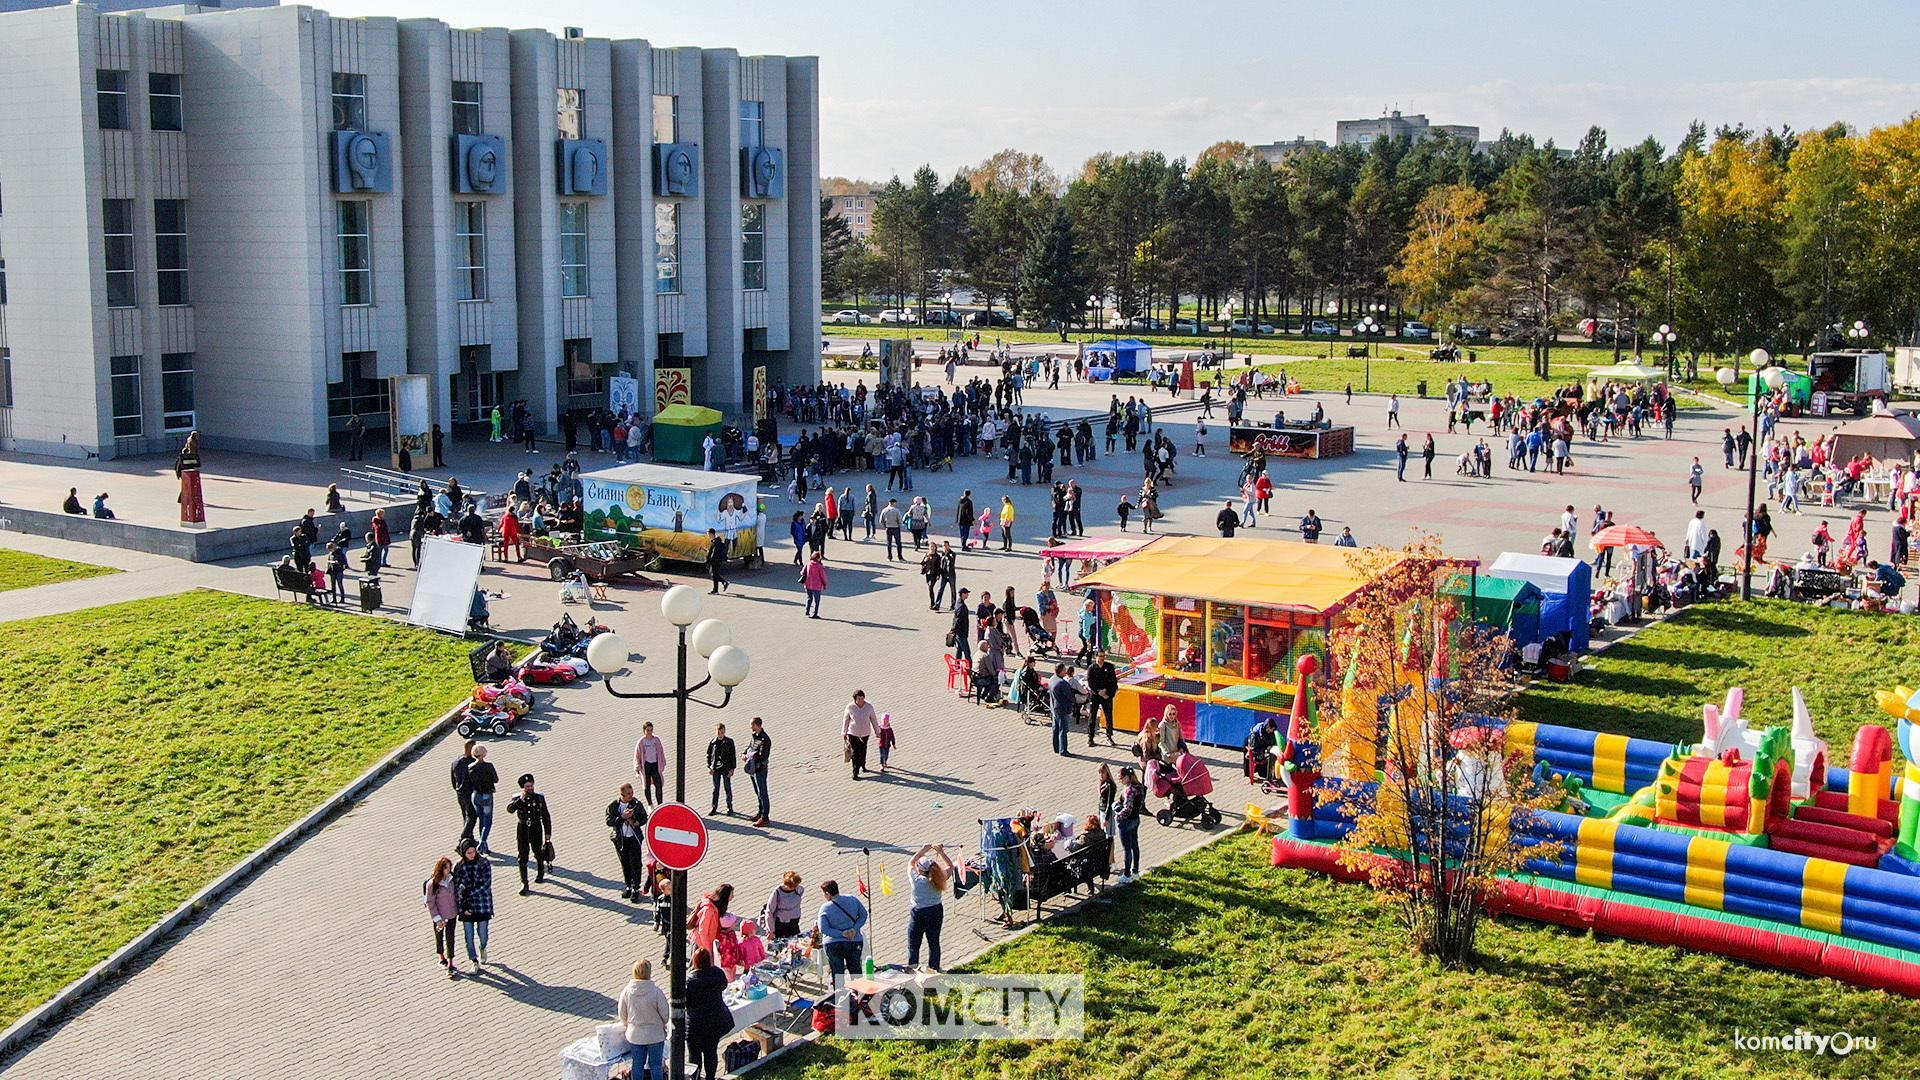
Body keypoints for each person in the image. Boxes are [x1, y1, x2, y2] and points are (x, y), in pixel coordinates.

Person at [617, 959, 670, 1080]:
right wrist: (662, 1024)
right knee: (656, 1065)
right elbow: (665, 1014)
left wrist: (629, 1024)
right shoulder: (656, 992)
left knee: (637, 1064)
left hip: (635, 1035)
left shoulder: (627, 991)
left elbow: (622, 1013)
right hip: (655, 1035)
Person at [684, 947, 732, 1080]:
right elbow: (724, 985)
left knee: (694, 1055)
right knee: (711, 1050)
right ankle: (711, 1077)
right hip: (715, 1020)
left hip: (695, 1024)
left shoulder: (690, 981)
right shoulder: (717, 973)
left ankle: (696, 1077)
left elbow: (685, 1002)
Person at [906, 844, 955, 971]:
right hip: (935, 912)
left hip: (919, 914)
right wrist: (941, 852)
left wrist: (924, 850)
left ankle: (912, 971)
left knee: (914, 945)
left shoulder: (916, 880)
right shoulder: (939, 878)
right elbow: (950, 866)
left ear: (921, 870)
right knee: (934, 942)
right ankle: (934, 969)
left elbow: (911, 862)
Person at [451, 839, 493, 973]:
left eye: (473, 851)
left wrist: (469, 892)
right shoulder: (459, 867)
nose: (472, 854)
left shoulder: (484, 863)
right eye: (468, 853)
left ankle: (483, 947)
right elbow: (457, 888)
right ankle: (474, 960)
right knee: (468, 937)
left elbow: (486, 885)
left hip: (482, 904)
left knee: (483, 934)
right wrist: (463, 905)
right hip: (466, 906)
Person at [507, 773, 553, 894]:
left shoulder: (539, 798)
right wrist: (520, 800)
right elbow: (510, 810)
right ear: (523, 787)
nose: (530, 788)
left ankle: (540, 872)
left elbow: (546, 816)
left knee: (538, 852)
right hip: (522, 828)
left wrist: (548, 834)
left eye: (531, 786)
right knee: (522, 856)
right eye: (527, 786)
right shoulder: (517, 798)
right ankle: (524, 883)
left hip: (536, 827)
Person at [817, 880, 868, 979]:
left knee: (838, 973)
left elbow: (823, 929)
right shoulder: (852, 899)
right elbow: (863, 915)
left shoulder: (825, 907)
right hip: (854, 941)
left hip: (833, 944)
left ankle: (840, 993)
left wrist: (841, 934)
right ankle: (860, 993)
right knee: (856, 970)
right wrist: (855, 929)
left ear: (827, 893)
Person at [608, 783, 648, 900]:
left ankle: (636, 888)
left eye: (632, 793)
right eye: (628, 794)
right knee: (625, 864)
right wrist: (622, 817)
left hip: (634, 839)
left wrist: (636, 822)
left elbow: (643, 818)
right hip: (621, 839)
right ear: (622, 795)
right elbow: (609, 821)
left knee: (635, 863)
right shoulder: (614, 806)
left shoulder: (636, 804)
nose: (631, 795)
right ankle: (628, 886)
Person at [424, 855, 460, 979]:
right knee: (439, 936)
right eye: (446, 869)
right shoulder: (432, 884)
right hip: (439, 917)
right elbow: (430, 902)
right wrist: (437, 919)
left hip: (451, 915)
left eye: (449, 868)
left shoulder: (452, 879)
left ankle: (451, 963)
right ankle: (441, 956)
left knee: (450, 938)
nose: (448, 871)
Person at [1114, 767, 1146, 881]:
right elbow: (1140, 804)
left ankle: (1127, 875)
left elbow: (1128, 808)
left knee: (1127, 849)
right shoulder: (1139, 787)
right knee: (1135, 845)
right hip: (1136, 819)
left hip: (1126, 821)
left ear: (1127, 777)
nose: (1120, 781)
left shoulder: (1129, 790)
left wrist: (1118, 816)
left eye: (1121, 778)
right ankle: (1135, 871)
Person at [467, 744, 498, 852]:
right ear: (482, 754)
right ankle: (482, 842)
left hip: (475, 795)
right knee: (488, 821)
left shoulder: (470, 767)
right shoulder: (488, 766)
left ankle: (485, 847)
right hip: (486, 795)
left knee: (481, 820)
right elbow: (495, 779)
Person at [744, 717, 772, 827]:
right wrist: (745, 753)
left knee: (762, 792)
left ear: (757, 725)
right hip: (753, 768)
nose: (750, 727)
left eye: (752, 725)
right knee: (757, 792)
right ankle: (760, 812)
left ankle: (765, 817)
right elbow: (750, 747)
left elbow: (763, 756)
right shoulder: (755, 736)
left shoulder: (765, 739)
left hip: (760, 769)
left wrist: (751, 756)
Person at [844, 689, 877, 780]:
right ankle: (855, 772)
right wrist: (844, 732)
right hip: (853, 733)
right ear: (855, 698)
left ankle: (863, 765)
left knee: (863, 750)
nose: (861, 700)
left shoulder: (869, 706)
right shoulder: (850, 707)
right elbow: (846, 720)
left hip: (865, 733)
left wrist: (877, 731)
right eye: (858, 698)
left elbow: (873, 719)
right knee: (855, 753)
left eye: (862, 698)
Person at [705, 722, 737, 816]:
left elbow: (732, 756)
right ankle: (714, 807)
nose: (721, 734)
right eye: (719, 732)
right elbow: (709, 755)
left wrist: (732, 769)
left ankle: (729, 808)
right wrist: (709, 767)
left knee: (727, 787)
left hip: (726, 768)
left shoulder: (729, 742)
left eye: (723, 732)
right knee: (716, 788)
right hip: (716, 769)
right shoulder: (713, 742)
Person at [1049, 663, 1079, 757]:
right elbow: (1070, 696)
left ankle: (1056, 747)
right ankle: (1063, 750)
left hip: (1054, 708)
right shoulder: (1062, 683)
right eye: (1064, 670)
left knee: (1055, 728)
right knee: (1063, 730)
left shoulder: (1052, 679)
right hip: (1062, 709)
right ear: (1061, 671)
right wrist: (1074, 701)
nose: (1066, 671)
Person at [763, 871, 805, 939]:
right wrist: (771, 930)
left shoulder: (799, 889)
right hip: (781, 923)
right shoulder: (777, 893)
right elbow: (769, 911)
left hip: (794, 921)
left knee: (796, 942)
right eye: (793, 887)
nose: (796, 887)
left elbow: (801, 891)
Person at [1087, 654, 1118, 745]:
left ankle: (1109, 736)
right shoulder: (1091, 668)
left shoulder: (1109, 667)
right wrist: (1098, 692)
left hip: (1106, 696)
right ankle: (1090, 737)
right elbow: (1090, 683)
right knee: (1092, 717)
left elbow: (1113, 682)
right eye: (1100, 656)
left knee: (1108, 716)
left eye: (1103, 656)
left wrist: (1106, 691)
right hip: (1095, 696)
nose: (1102, 658)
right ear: (1096, 657)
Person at [634, 721, 665, 805]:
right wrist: (637, 767)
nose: (649, 732)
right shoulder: (641, 742)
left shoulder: (656, 740)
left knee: (658, 785)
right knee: (646, 785)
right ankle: (650, 804)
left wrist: (662, 763)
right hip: (646, 766)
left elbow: (661, 752)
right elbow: (637, 755)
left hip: (655, 765)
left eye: (651, 730)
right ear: (644, 731)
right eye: (648, 730)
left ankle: (660, 804)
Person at [802, 550, 828, 618]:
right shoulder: (819, 566)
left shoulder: (808, 564)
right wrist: (825, 584)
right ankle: (815, 613)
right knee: (817, 600)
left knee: (809, 598)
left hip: (808, 584)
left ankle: (807, 611)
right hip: (816, 586)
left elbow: (802, 572)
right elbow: (823, 576)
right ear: (818, 558)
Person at [704, 528, 730, 594]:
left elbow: (714, 553)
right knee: (714, 574)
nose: (708, 535)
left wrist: (709, 560)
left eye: (708, 533)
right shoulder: (716, 541)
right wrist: (705, 550)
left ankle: (716, 590)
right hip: (717, 560)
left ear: (711, 534)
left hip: (715, 561)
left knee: (714, 575)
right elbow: (712, 551)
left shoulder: (715, 542)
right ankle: (723, 583)